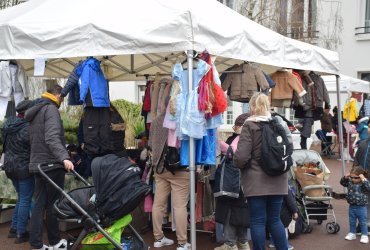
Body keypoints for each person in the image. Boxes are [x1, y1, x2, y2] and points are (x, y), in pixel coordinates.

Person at [234, 92, 292, 250]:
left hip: (256, 181)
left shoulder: (249, 125)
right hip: (279, 179)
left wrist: (237, 162)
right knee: (274, 219)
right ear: (268, 105)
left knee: (258, 221)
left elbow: (241, 157)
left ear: (252, 106)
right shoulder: (278, 122)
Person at [25, 84, 74, 250]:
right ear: (58, 95)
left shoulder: (36, 109)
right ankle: (54, 241)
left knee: (39, 204)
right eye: (62, 98)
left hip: (37, 164)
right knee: (53, 204)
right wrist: (64, 157)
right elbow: (52, 137)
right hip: (51, 164)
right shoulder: (51, 109)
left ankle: (37, 244)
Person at [150, 110, 190, 250]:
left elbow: (151, 143)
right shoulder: (182, 118)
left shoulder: (155, 121)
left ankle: (158, 238)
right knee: (179, 206)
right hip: (179, 168)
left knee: (158, 204)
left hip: (160, 168)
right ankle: (182, 243)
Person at [214, 113, 251, 250]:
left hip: (237, 179)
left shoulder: (242, 138)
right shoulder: (250, 137)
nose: (235, 128)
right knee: (240, 211)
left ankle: (230, 243)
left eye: (237, 125)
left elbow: (234, 152)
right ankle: (242, 242)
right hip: (244, 180)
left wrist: (218, 142)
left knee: (232, 210)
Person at [2, 100, 34, 244]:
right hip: (23, 168)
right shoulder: (27, 127)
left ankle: (14, 229)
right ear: (27, 112)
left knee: (21, 197)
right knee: (25, 199)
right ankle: (21, 233)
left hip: (10, 167)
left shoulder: (8, 125)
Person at [340, 166, 370, 244]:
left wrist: (364, 179)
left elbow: (368, 187)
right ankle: (352, 233)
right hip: (352, 207)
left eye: (356, 177)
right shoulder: (350, 182)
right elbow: (342, 183)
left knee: (363, 222)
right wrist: (345, 177)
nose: (353, 179)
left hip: (362, 207)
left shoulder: (363, 184)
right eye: (352, 177)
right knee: (352, 221)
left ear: (361, 176)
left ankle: (364, 235)